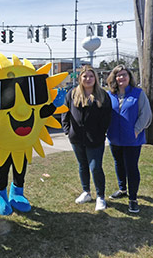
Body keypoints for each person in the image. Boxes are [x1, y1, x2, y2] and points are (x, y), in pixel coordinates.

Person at [62, 65, 111, 211]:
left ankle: (100, 196)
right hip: (76, 138)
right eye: (85, 76)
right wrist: (67, 130)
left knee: (95, 167)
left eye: (91, 76)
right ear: (80, 78)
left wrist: (101, 132)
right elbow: (65, 112)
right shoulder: (72, 93)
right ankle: (86, 192)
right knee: (82, 166)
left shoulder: (102, 95)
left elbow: (107, 116)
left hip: (95, 139)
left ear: (95, 78)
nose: (88, 79)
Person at [106, 64, 152, 213]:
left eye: (124, 75)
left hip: (132, 139)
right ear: (114, 78)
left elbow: (145, 114)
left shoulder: (138, 93)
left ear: (129, 77)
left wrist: (137, 130)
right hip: (115, 138)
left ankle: (133, 198)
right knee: (118, 164)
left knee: (131, 168)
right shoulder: (110, 95)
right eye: (118, 75)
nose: (121, 77)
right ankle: (122, 189)